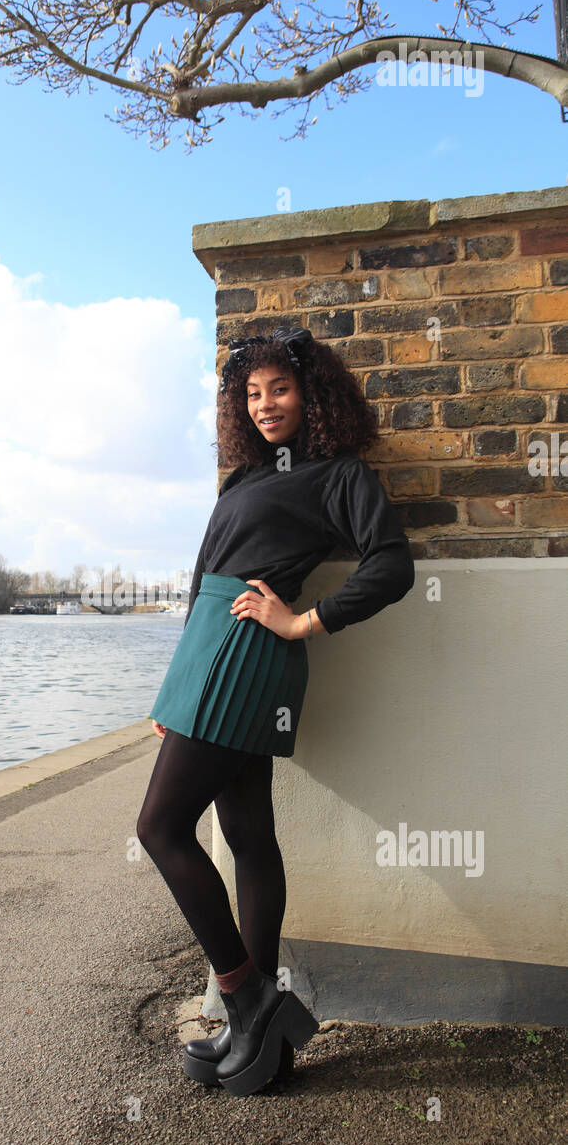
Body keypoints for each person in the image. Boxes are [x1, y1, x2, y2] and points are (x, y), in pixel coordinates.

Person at [136, 326, 416, 1098]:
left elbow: (392, 563)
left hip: (251, 659)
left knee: (157, 828)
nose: (265, 406)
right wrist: (172, 688)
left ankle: (246, 995)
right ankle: (257, 1040)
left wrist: (303, 622)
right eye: (251, 394)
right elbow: (202, 586)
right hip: (208, 659)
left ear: (311, 393)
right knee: (248, 834)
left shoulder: (338, 474)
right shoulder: (240, 482)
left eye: (279, 390)